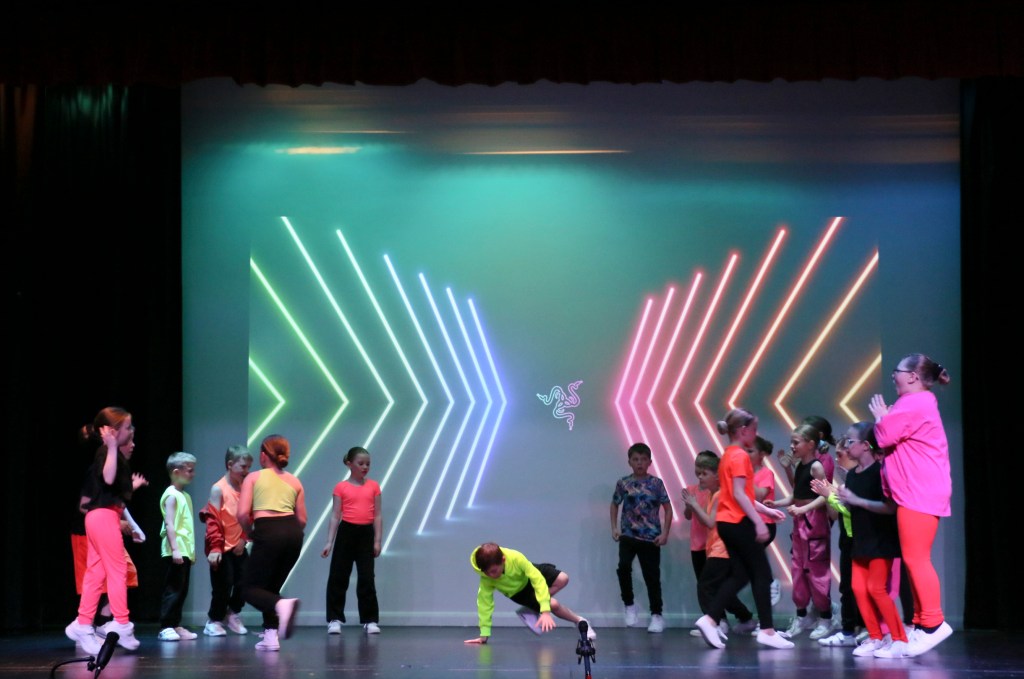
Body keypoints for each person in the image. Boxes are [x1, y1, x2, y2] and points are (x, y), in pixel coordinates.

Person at [869, 353, 953, 656]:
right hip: (915, 491)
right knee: (912, 559)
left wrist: (881, 417)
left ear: (913, 376)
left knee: (917, 559)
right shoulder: (916, 402)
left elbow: (884, 437)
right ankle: (919, 624)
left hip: (921, 490)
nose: (893, 376)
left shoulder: (916, 402)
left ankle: (933, 623)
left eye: (897, 371)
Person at [693, 408, 793, 650]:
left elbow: (737, 494)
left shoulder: (729, 455)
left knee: (741, 575)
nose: (756, 434)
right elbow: (739, 494)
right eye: (754, 429)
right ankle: (767, 630)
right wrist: (758, 522)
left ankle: (710, 619)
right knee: (761, 574)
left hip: (727, 522)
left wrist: (767, 511)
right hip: (737, 522)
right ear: (743, 430)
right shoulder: (739, 457)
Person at [65, 407, 145, 654]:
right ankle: (121, 622)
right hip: (102, 517)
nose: (131, 432)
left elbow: (112, 490)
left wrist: (132, 485)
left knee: (96, 572)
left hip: (102, 516)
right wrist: (110, 446)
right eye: (127, 427)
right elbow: (108, 479)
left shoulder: (114, 455)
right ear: (112, 431)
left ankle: (82, 623)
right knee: (117, 570)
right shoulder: (106, 452)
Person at [838, 421, 910, 658]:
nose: (846, 446)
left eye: (850, 441)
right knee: (858, 589)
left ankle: (899, 638)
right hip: (860, 541)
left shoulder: (881, 472)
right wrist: (843, 500)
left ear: (866, 445)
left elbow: (889, 507)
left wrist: (856, 501)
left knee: (876, 589)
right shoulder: (851, 475)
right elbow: (853, 508)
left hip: (881, 541)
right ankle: (875, 637)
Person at [238, 434, 306, 651]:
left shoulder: (253, 477)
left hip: (268, 531)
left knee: (248, 588)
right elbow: (302, 520)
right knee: (271, 587)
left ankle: (281, 605)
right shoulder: (295, 481)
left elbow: (242, 513)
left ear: (263, 455)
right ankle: (270, 635)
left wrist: (249, 532)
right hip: (293, 534)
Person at [681, 452, 758, 640]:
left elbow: (710, 522)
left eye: (704, 473)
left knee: (706, 586)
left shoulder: (720, 494)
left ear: (717, 475)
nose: (700, 477)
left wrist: (694, 504)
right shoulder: (714, 494)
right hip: (714, 547)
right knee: (716, 588)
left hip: (722, 548)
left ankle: (714, 623)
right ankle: (740, 618)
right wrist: (691, 505)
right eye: (698, 473)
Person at [771, 423, 836, 640]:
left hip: (814, 524)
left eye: (796, 442)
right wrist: (776, 504)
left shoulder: (817, 467)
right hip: (800, 524)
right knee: (798, 569)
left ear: (810, 444)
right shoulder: (800, 466)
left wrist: (803, 509)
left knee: (816, 570)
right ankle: (802, 615)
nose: (792, 446)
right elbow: (796, 494)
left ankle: (825, 617)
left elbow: (825, 495)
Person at [465, 543, 596, 644]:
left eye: (493, 571)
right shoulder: (487, 579)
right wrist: (484, 635)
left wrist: (544, 611)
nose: (490, 575)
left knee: (563, 578)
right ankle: (580, 621)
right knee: (554, 604)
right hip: (519, 593)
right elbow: (484, 605)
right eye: (486, 572)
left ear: (503, 560)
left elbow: (537, 579)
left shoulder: (516, 557)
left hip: (529, 576)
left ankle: (533, 608)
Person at [610, 442, 672, 633]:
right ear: (629, 461)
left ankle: (657, 615)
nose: (639, 463)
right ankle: (629, 604)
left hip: (650, 537)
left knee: (651, 576)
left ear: (649, 462)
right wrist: (614, 528)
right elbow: (614, 504)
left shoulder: (656, 484)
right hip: (628, 535)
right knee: (623, 568)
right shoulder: (623, 483)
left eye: (643, 459)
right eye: (635, 459)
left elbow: (668, 508)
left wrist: (665, 533)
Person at [321, 446, 383, 635]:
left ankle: (370, 620)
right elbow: (335, 515)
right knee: (338, 577)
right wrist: (329, 542)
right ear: (349, 464)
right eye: (361, 463)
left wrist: (377, 540)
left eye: (368, 464)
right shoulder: (341, 487)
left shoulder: (374, 486)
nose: (365, 467)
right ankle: (334, 619)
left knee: (367, 578)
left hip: (366, 534)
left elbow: (377, 515)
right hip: (346, 532)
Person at [811, 435, 864, 648]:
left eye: (840, 454)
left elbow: (854, 510)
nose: (837, 459)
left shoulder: (859, 478)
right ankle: (852, 630)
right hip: (849, 539)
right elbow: (837, 514)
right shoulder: (849, 479)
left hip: (860, 539)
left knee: (859, 588)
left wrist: (830, 495)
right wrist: (829, 494)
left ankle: (859, 630)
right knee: (848, 588)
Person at [200, 445, 253, 636]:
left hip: (238, 545)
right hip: (221, 546)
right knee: (223, 585)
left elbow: (249, 516)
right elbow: (213, 519)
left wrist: (243, 539)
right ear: (230, 465)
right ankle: (214, 620)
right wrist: (215, 548)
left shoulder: (246, 488)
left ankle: (232, 614)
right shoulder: (218, 489)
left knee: (246, 581)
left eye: (249, 467)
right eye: (243, 467)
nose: (246, 471)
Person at [158, 452, 199, 641]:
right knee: (173, 589)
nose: (193, 474)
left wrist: (190, 552)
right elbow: (169, 523)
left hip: (184, 550)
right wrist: (175, 549)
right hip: (175, 550)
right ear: (176, 472)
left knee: (182, 590)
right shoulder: (171, 495)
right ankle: (166, 626)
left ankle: (175, 624)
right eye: (189, 470)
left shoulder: (185, 496)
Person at [750, 436, 782, 607]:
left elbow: (759, 496)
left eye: (750, 451)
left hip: (765, 524)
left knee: (753, 564)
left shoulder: (766, 473)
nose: (746, 454)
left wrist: (744, 476)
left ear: (761, 454)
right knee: (752, 567)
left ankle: (771, 582)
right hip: (748, 524)